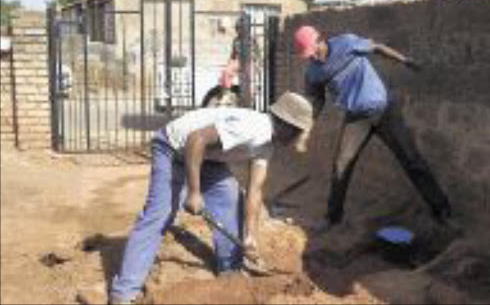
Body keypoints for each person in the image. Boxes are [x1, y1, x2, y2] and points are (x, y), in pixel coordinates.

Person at [109, 92, 313, 304]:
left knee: (231, 200)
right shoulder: (254, 128)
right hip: (174, 148)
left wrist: (250, 236)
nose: (297, 137)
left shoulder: (267, 144)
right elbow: (195, 138)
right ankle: (124, 292)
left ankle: (230, 273)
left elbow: (255, 190)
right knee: (159, 215)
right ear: (286, 126)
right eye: (298, 131)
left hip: (208, 157)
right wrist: (194, 192)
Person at [293, 25, 452, 232]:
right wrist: (306, 128)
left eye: (312, 50)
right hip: (356, 119)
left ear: (320, 39)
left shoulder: (347, 43)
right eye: (307, 54)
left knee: (411, 160)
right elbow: (317, 101)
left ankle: (441, 210)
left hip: (384, 109)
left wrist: (405, 61)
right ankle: (333, 218)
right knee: (341, 166)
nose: (311, 56)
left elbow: (377, 48)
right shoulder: (313, 72)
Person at [201, 16, 262, 108]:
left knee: (248, 80)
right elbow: (233, 54)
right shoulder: (236, 40)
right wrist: (229, 64)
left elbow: (258, 54)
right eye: (237, 28)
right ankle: (226, 92)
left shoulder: (252, 39)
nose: (238, 30)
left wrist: (258, 65)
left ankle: (249, 100)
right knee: (226, 72)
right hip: (239, 61)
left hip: (249, 61)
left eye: (240, 28)